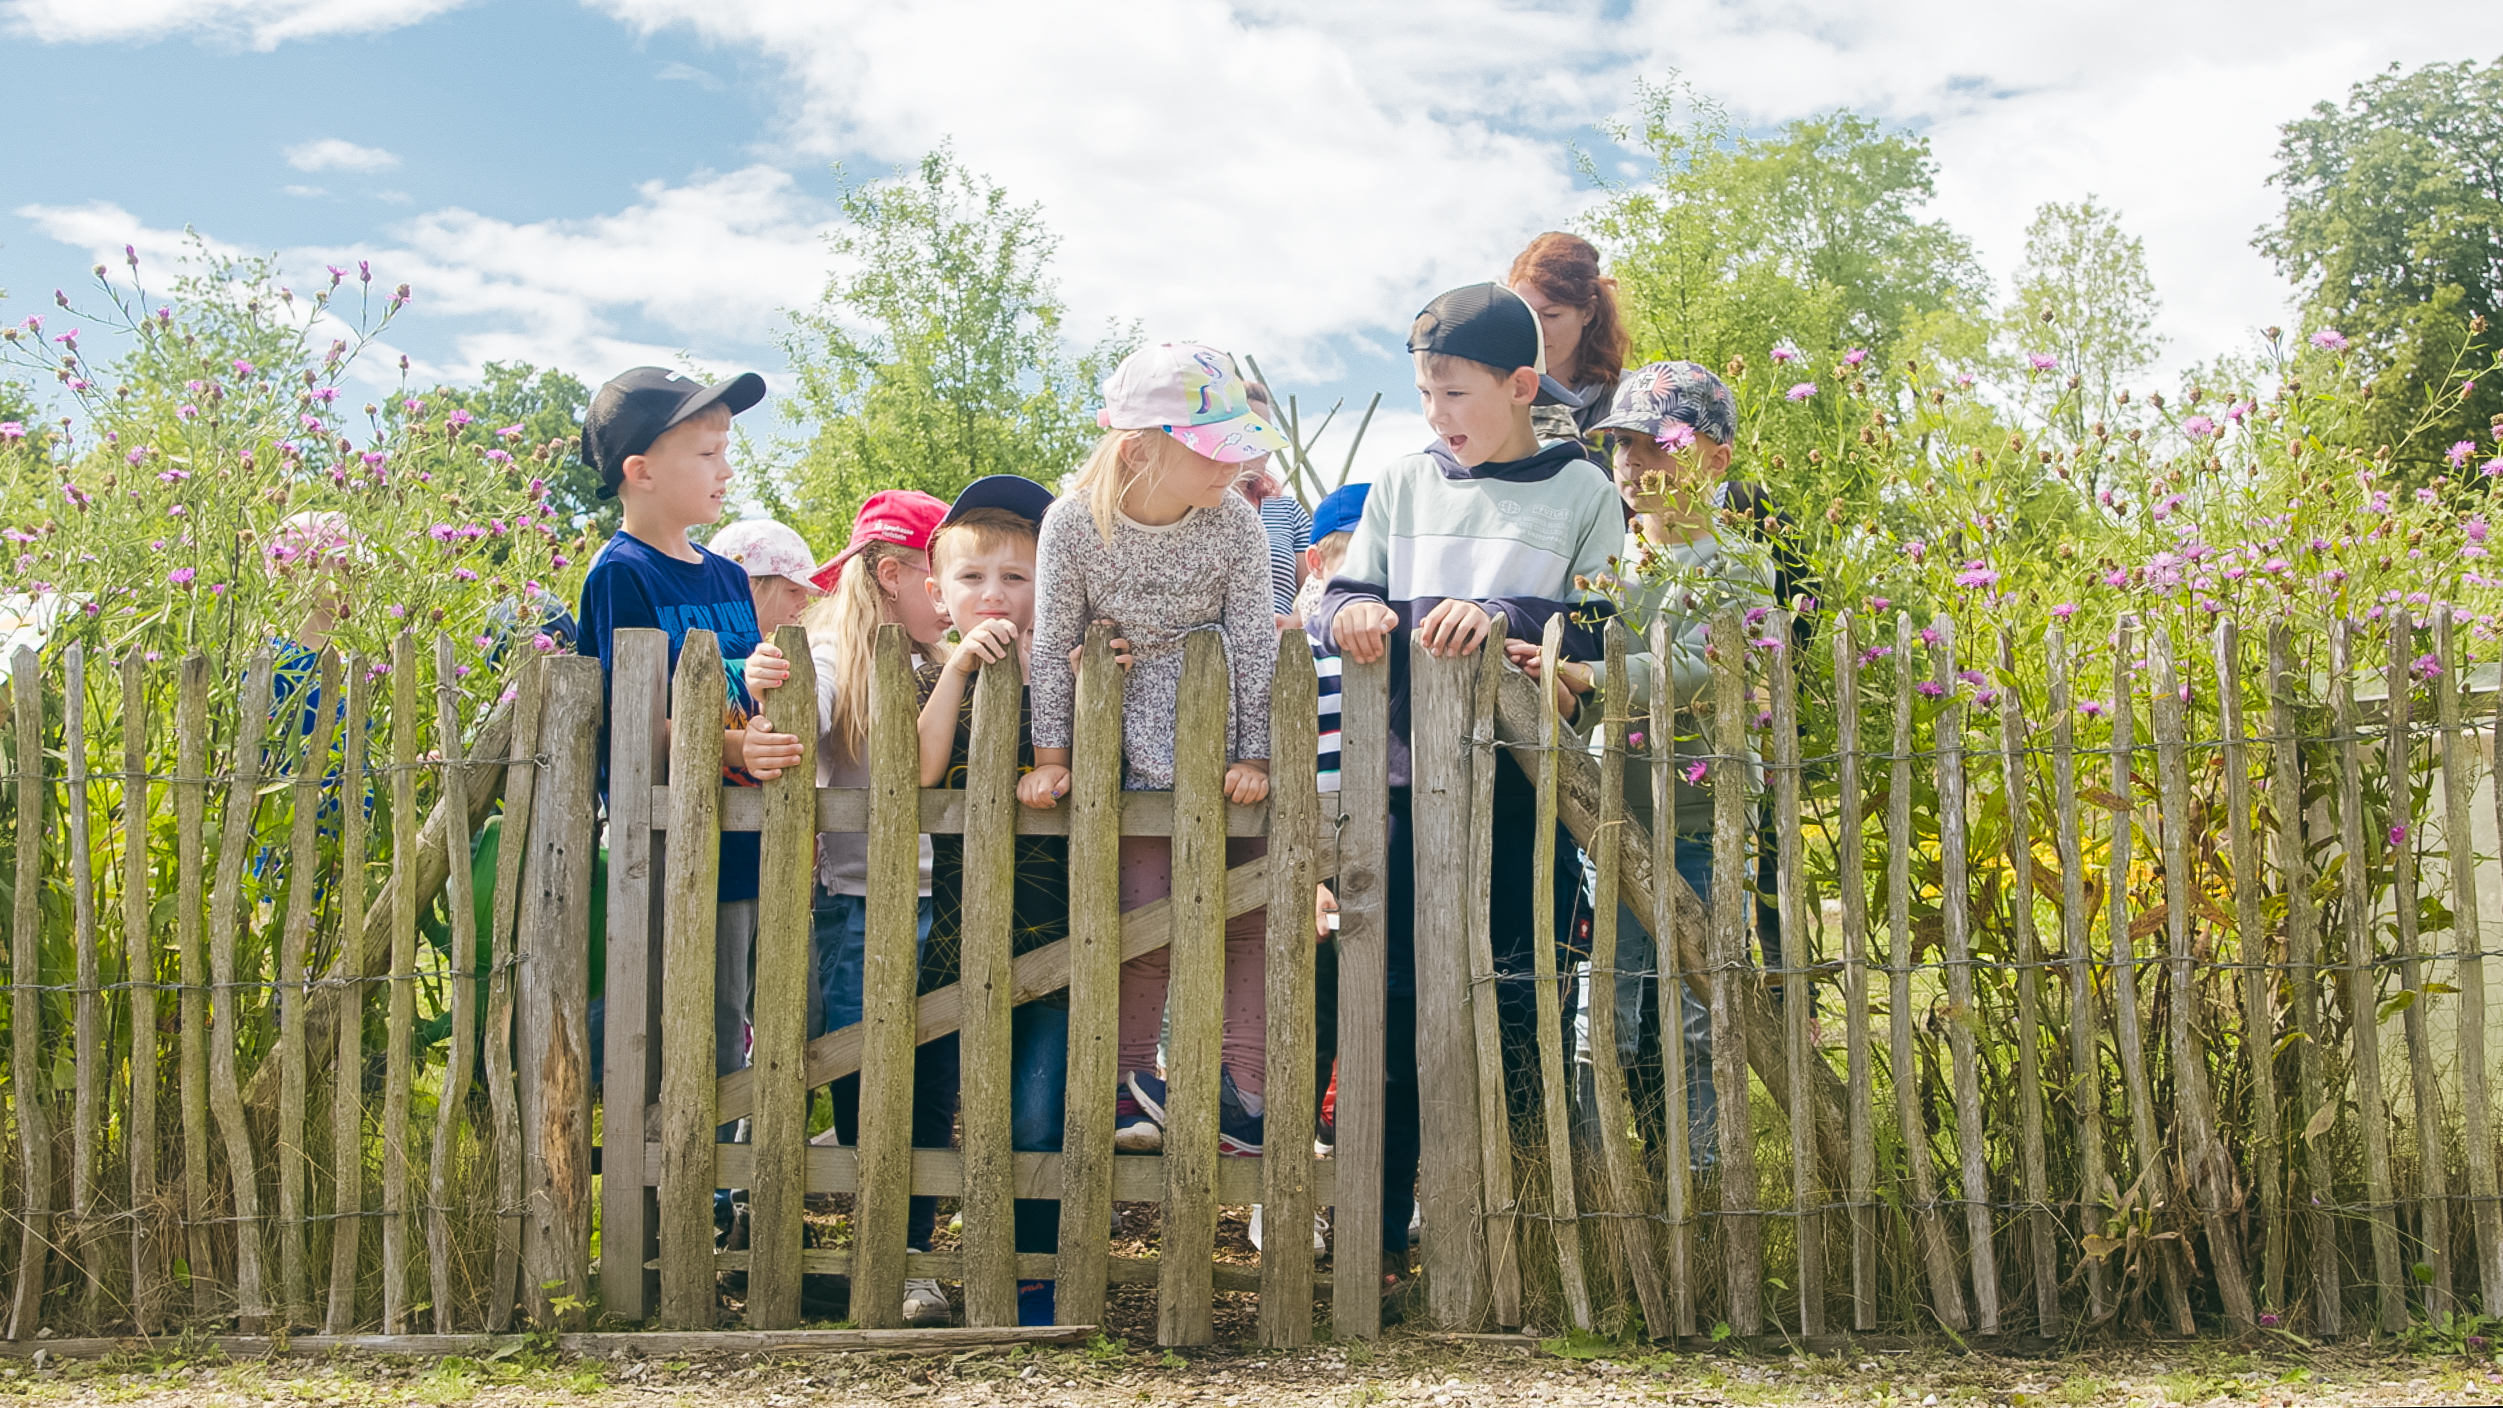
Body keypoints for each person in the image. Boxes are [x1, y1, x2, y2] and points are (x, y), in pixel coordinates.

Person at [1312, 283, 1620, 1299]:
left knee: (1519, 1005)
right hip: (1402, 792)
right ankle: (1379, 1237)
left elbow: (1602, 623)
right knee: (1394, 1014)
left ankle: (1516, 1236)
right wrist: (1352, 615)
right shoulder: (1404, 483)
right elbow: (1343, 591)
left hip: (1523, 792)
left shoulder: (1583, 491)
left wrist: (1502, 617)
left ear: (1522, 386)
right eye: (1424, 394)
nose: (1436, 413)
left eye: (1454, 393)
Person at [1021, 342, 1281, 1165]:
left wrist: (1256, 756)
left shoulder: (1235, 521)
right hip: (1127, 753)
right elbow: (1053, 641)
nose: (1233, 465)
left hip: (1220, 739)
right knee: (1142, 925)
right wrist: (1053, 753)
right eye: (1213, 450)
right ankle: (1127, 1087)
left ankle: (1244, 1096)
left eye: (1237, 447)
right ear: (1137, 450)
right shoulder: (1074, 524)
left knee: (1247, 923)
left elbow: (1254, 640)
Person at [1511, 360, 1773, 1166]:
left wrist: (1588, 674)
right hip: (1614, 810)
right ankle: (1599, 1171)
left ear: (1715, 459)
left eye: (1657, 444)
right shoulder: (1605, 567)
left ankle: (1703, 1171)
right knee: (1604, 1004)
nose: (1631, 462)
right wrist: (1560, 681)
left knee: (1699, 1005)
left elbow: (1707, 667)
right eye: (1621, 445)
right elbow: (1580, 672)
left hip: (1704, 817)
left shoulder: (1738, 564)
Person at [573, 365, 799, 1107]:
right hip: (670, 842)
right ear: (640, 471)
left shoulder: (728, 577)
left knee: (745, 1017)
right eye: (706, 453)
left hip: (744, 832)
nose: (725, 469)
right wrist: (736, 747)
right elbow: (635, 717)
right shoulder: (622, 574)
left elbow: (739, 694)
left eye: (725, 450)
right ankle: (678, 1163)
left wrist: (760, 686)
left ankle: (725, 1167)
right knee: (683, 1021)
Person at [911, 474, 1073, 1326]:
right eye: (972, 577)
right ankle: (919, 1267)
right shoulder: (931, 676)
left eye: (1016, 576)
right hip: (954, 931)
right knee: (929, 1108)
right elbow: (918, 773)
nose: (994, 593)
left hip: (1055, 933)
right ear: (938, 593)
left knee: (1036, 1118)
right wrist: (958, 671)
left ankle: (1032, 1279)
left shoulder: (1071, 673)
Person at [801, 489, 955, 1326]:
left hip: (946, 901)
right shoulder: (835, 650)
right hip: (862, 905)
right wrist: (777, 700)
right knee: (871, 1088)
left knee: (930, 1088)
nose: (950, 595)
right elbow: (811, 703)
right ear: (893, 574)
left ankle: (913, 1262)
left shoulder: (935, 656)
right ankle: (885, 1261)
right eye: (939, 574)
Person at [1507, 232, 1631, 443]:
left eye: (1550, 315)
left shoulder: (1631, 396)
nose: (1535, 329)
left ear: (1588, 312)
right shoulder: (1497, 396)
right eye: (1525, 314)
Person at [1240, 380, 1312, 625]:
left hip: (1276, 643)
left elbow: (1317, 589)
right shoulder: (1191, 507)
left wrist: (1294, 621)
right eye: (1253, 429)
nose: (1266, 442)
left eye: (1269, 432)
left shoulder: (1288, 511)